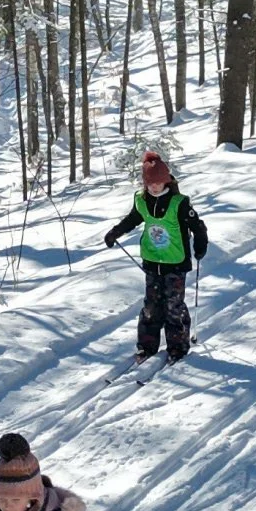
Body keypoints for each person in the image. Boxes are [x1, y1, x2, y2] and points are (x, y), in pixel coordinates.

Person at [104, 151, 208, 363]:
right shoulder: (142, 201)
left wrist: (200, 244)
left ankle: (177, 347)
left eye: (159, 182)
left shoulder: (179, 203)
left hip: (175, 263)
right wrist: (115, 232)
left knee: (173, 306)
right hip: (152, 262)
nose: (154, 187)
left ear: (166, 180)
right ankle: (147, 346)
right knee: (151, 306)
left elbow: (198, 226)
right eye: (151, 183)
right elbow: (132, 219)